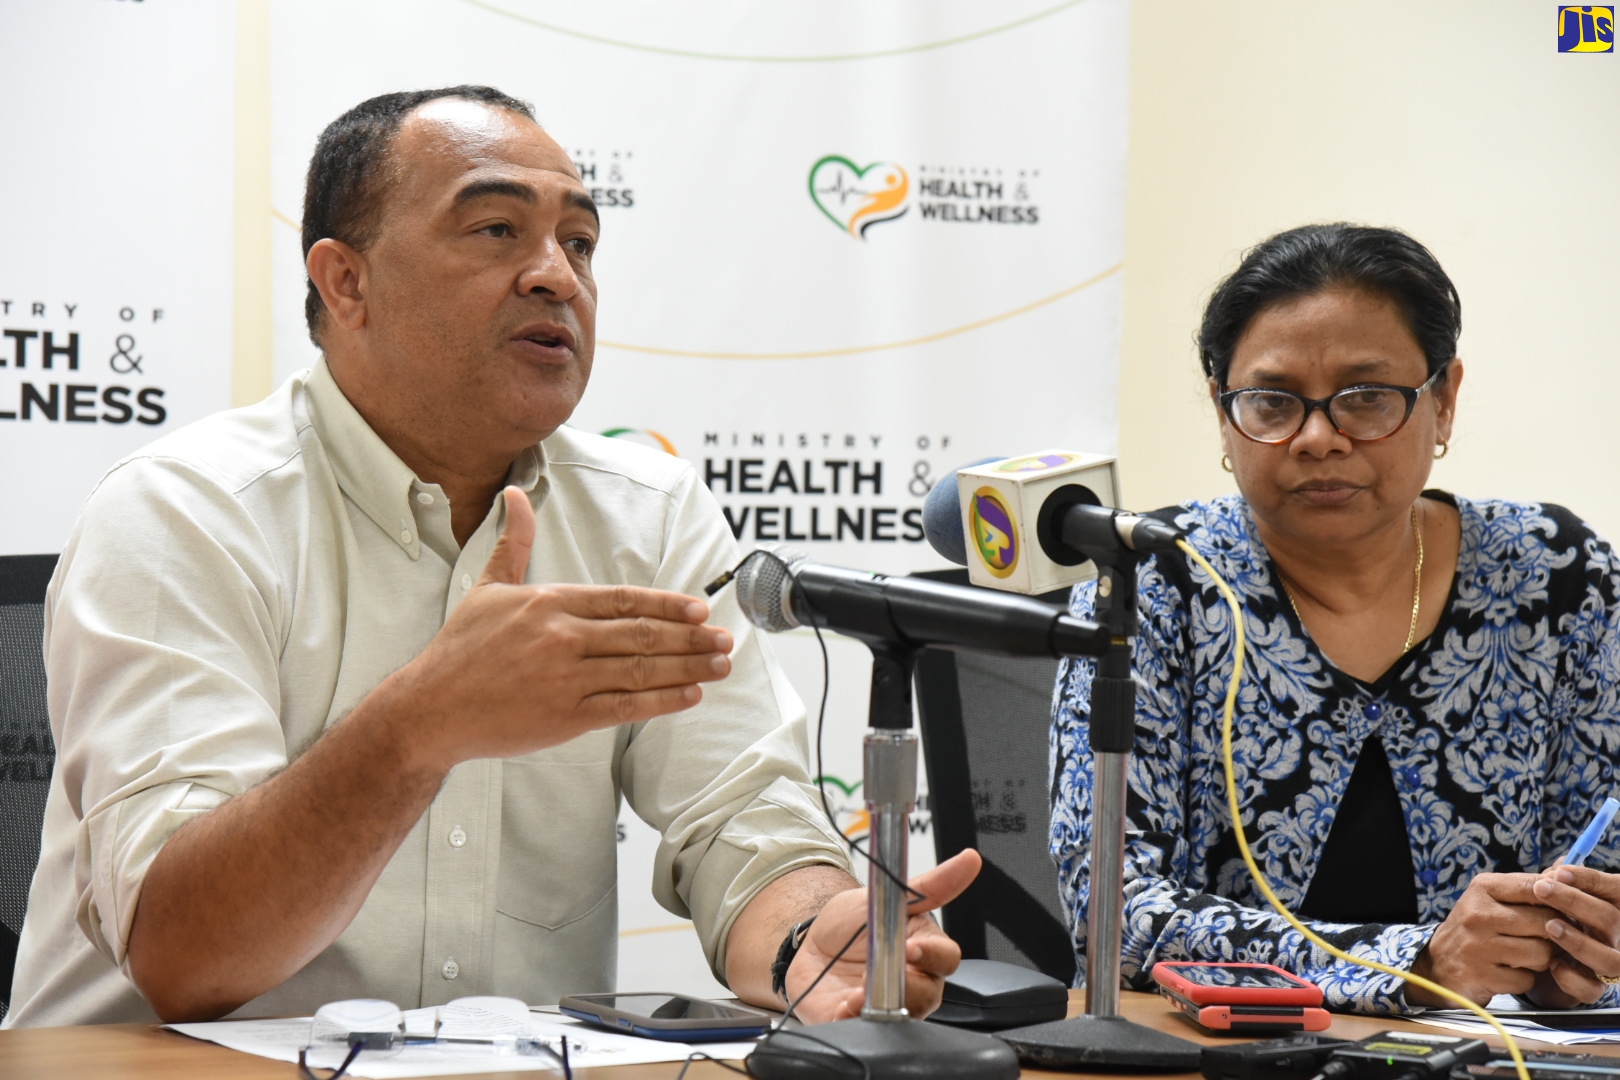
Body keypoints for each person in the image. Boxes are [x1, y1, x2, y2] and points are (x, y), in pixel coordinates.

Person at [4, 85, 978, 1027]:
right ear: (346, 281)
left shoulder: (648, 517)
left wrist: (806, 932)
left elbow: (739, 812)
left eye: (582, 242)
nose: (557, 273)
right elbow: (185, 953)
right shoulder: (186, 512)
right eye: (496, 230)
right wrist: (417, 725)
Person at [1050, 223, 1620, 1015]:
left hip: (1503, 1057)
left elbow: (1607, 861)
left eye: (1365, 398)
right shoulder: (1151, 587)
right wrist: (1416, 961)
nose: (1319, 438)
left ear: (1444, 399)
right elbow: (1112, 914)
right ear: (1223, 415)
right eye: (1273, 402)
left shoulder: (1561, 576)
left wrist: (1583, 948)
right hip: (1224, 1058)